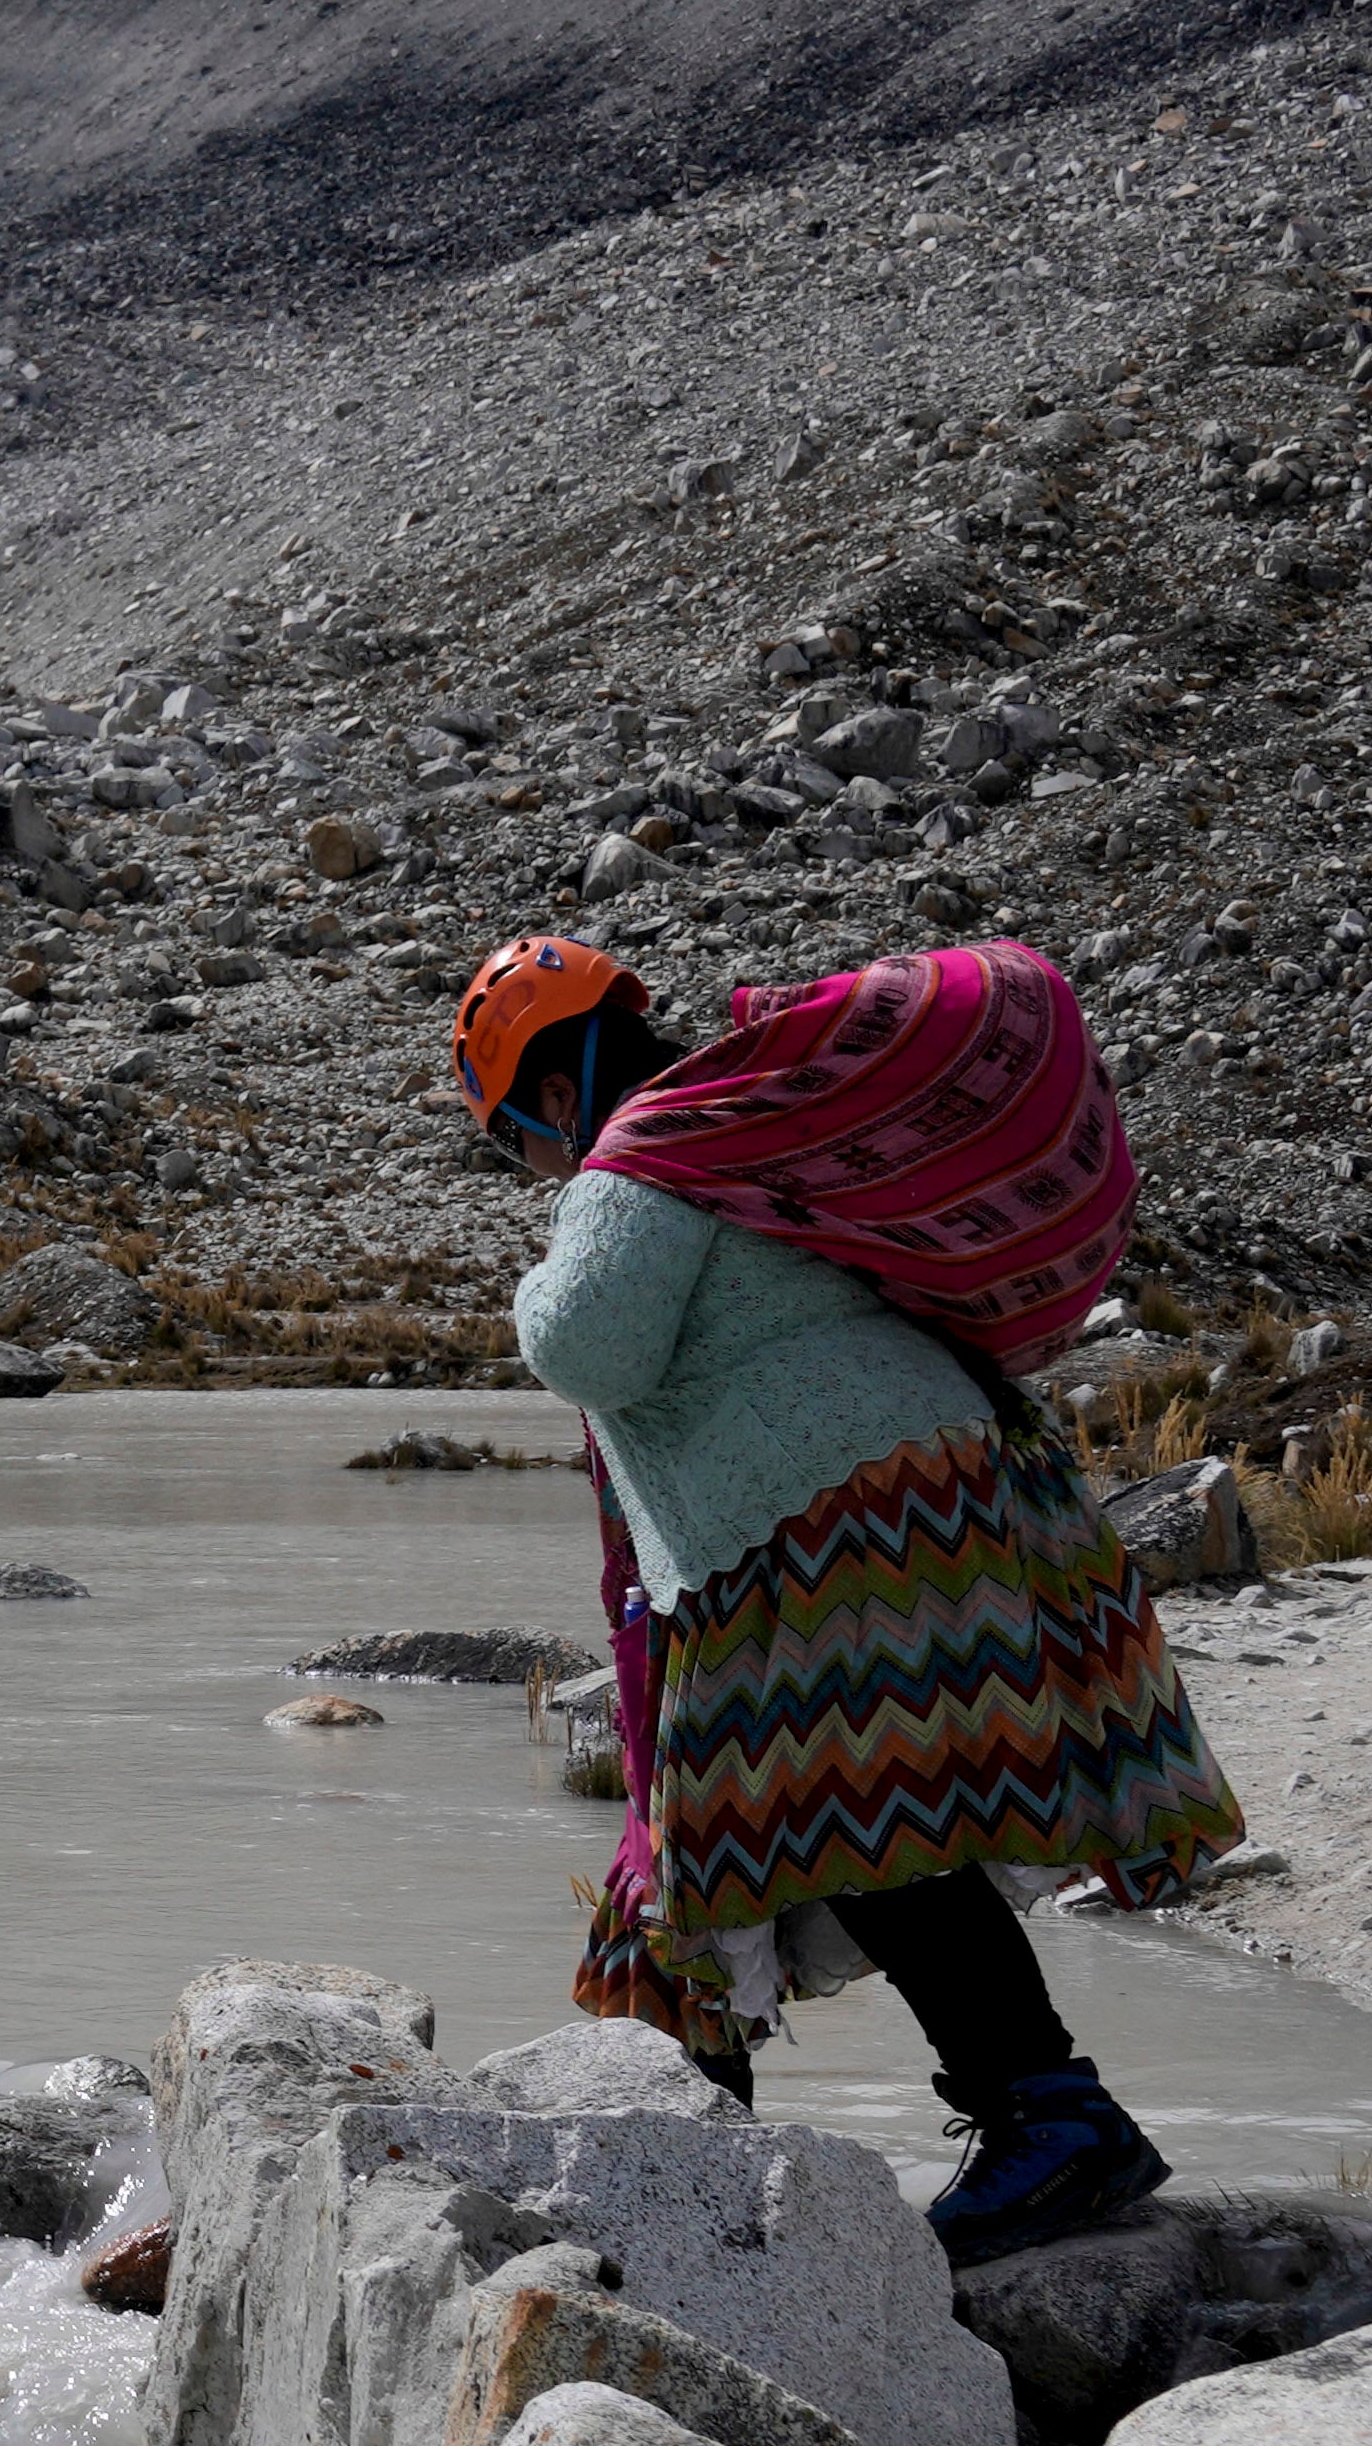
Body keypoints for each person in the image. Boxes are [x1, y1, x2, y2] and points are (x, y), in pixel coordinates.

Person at [455, 931, 1238, 2260]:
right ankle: (760, 2167)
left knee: (844, 1816)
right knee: (814, 1828)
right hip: (915, 1487)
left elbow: (589, 1342)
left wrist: (537, 1274)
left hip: (831, 1513)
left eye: (506, 1139)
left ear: (544, 1090)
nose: (523, 1166)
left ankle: (1025, 2127)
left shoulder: (638, 1153)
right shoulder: (736, 1122)